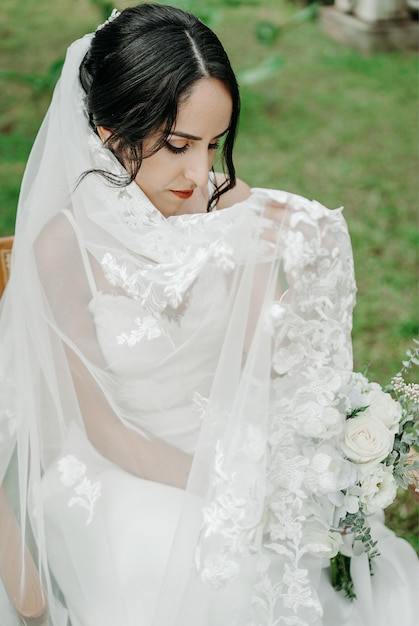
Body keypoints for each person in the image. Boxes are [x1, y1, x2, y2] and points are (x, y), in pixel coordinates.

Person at [0, 4, 417, 626]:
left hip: (232, 443)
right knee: (196, 567)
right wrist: (224, 488)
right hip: (124, 467)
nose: (200, 174)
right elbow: (101, 429)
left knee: (311, 562)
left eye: (214, 145)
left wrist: (291, 463)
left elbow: (260, 364)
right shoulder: (64, 248)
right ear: (110, 130)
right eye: (177, 145)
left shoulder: (230, 209)